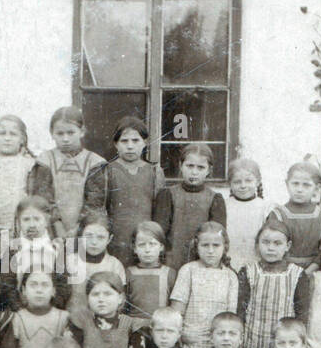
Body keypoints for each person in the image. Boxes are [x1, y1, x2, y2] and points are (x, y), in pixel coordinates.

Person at [87, 115, 165, 264]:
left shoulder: (155, 172)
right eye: (124, 141)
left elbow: (160, 211)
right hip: (115, 241)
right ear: (116, 144)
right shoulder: (105, 171)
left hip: (146, 244)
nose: (130, 146)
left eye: (135, 141)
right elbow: (96, 210)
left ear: (145, 142)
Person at [27, 106, 106, 241]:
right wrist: (58, 226)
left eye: (70, 133)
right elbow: (43, 198)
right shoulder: (45, 160)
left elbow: (94, 202)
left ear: (82, 132)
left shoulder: (94, 162)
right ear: (52, 133)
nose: (65, 139)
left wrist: (78, 228)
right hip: (50, 227)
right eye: (60, 133)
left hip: (84, 229)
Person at [241, 220, 309, 348]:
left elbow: (302, 314)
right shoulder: (248, 271)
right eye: (265, 242)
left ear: (287, 246)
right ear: (257, 244)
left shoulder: (297, 274)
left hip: (285, 345)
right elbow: (240, 310)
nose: (270, 248)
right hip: (252, 340)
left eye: (277, 243)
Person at [169, 221, 238, 348]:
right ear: (197, 246)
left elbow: (230, 317)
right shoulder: (188, 270)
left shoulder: (230, 276)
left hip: (218, 344)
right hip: (190, 341)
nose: (210, 251)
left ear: (225, 247)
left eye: (216, 245)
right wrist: (182, 334)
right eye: (205, 245)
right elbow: (176, 312)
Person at [153, 142, 225, 271]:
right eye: (190, 166)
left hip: (203, 263)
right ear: (181, 166)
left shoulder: (215, 199)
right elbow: (159, 234)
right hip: (171, 261)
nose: (194, 172)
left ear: (209, 170)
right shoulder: (167, 195)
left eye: (200, 167)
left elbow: (218, 237)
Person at [267, 162, 321, 270]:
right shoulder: (278, 214)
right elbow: (272, 245)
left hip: (314, 270)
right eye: (295, 184)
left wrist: (309, 271)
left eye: (306, 185)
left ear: (316, 188)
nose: (299, 189)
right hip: (282, 269)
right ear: (287, 184)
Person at [224, 158, 269, 271]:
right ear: (230, 183)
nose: (243, 186)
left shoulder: (266, 207)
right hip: (229, 263)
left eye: (248, 181)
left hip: (257, 264)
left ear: (258, 181)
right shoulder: (224, 206)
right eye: (237, 182)